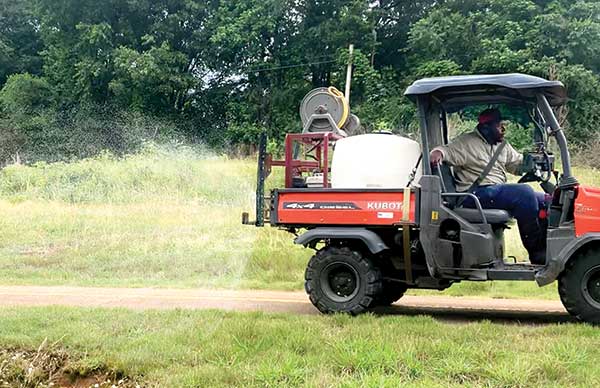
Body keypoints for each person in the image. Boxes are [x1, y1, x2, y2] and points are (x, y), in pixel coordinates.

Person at [429, 108, 548, 264]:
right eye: (499, 126)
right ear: (485, 127)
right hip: (473, 195)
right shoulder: (467, 143)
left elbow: (516, 164)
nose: (503, 129)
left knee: (547, 200)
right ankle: (536, 252)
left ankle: (548, 249)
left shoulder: (502, 146)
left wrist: (532, 163)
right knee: (524, 193)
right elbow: (447, 151)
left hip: (495, 192)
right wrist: (437, 153)